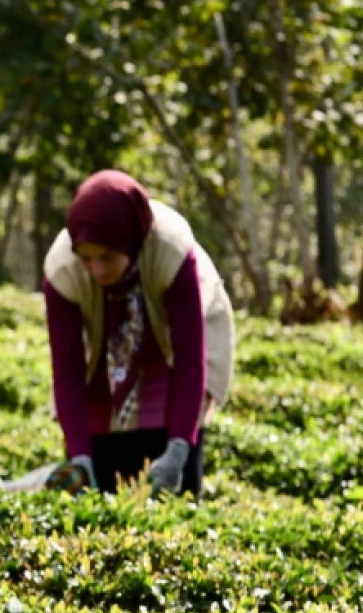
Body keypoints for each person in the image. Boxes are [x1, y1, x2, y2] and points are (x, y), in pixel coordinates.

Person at [41, 170, 236, 499]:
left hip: (171, 349)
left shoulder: (172, 251)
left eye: (107, 257)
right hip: (104, 354)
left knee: (173, 486)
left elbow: (190, 359)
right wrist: (80, 458)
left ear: (130, 243)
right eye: (87, 259)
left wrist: (177, 450)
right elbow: (68, 372)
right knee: (100, 476)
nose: (97, 269)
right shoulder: (63, 268)